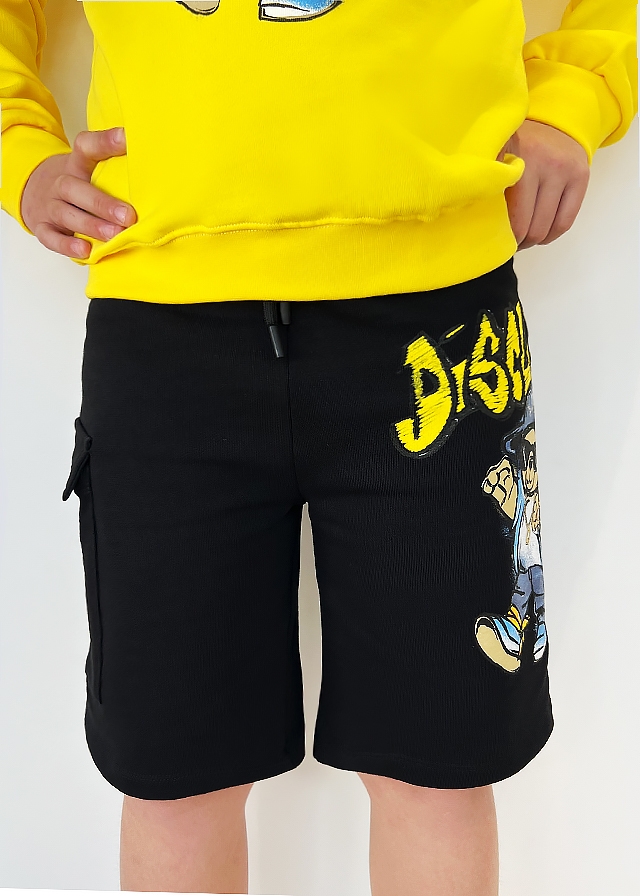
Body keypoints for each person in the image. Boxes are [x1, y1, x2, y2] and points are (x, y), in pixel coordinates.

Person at [1, 1, 636, 894]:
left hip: (438, 315)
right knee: (175, 774)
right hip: (164, 326)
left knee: (441, 765)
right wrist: (20, 152)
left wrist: (574, 95)